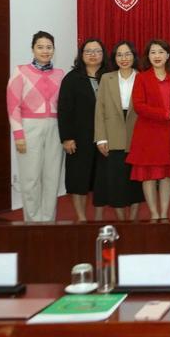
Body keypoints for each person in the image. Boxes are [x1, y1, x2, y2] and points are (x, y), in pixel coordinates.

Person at [7, 31, 65, 222]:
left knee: (52, 177)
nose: (45, 51)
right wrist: (18, 135)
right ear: (32, 49)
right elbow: (13, 105)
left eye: (49, 47)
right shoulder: (21, 71)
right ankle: (32, 222)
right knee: (30, 178)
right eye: (40, 47)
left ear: (54, 50)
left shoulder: (60, 74)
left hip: (55, 128)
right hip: (29, 128)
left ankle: (48, 221)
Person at [126, 39, 170, 220]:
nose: (157, 56)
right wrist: (166, 114)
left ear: (168, 55)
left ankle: (164, 214)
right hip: (148, 134)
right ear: (148, 56)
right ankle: (154, 213)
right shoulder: (141, 78)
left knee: (167, 176)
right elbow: (139, 106)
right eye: (153, 52)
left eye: (161, 52)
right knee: (149, 175)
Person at [58, 38, 107, 222]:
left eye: (97, 51)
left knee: (101, 180)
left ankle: (99, 217)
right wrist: (67, 137)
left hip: (105, 137)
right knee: (78, 179)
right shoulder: (72, 78)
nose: (93, 55)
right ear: (81, 55)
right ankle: (81, 217)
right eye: (88, 51)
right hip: (79, 138)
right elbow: (64, 110)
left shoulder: (109, 76)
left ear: (103, 54)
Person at [94, 41, 144, 220]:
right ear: (114, 58)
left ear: (134, 56)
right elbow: (100, 109)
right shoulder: (106, 78)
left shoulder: (142, 77)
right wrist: (101, 138)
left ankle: (134, 220)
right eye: (119, 55)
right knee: (116, 182)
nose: (124, 58)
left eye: (128, 54)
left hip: (137, 134)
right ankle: (122, 221)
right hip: (112, 135)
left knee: (135, 183)